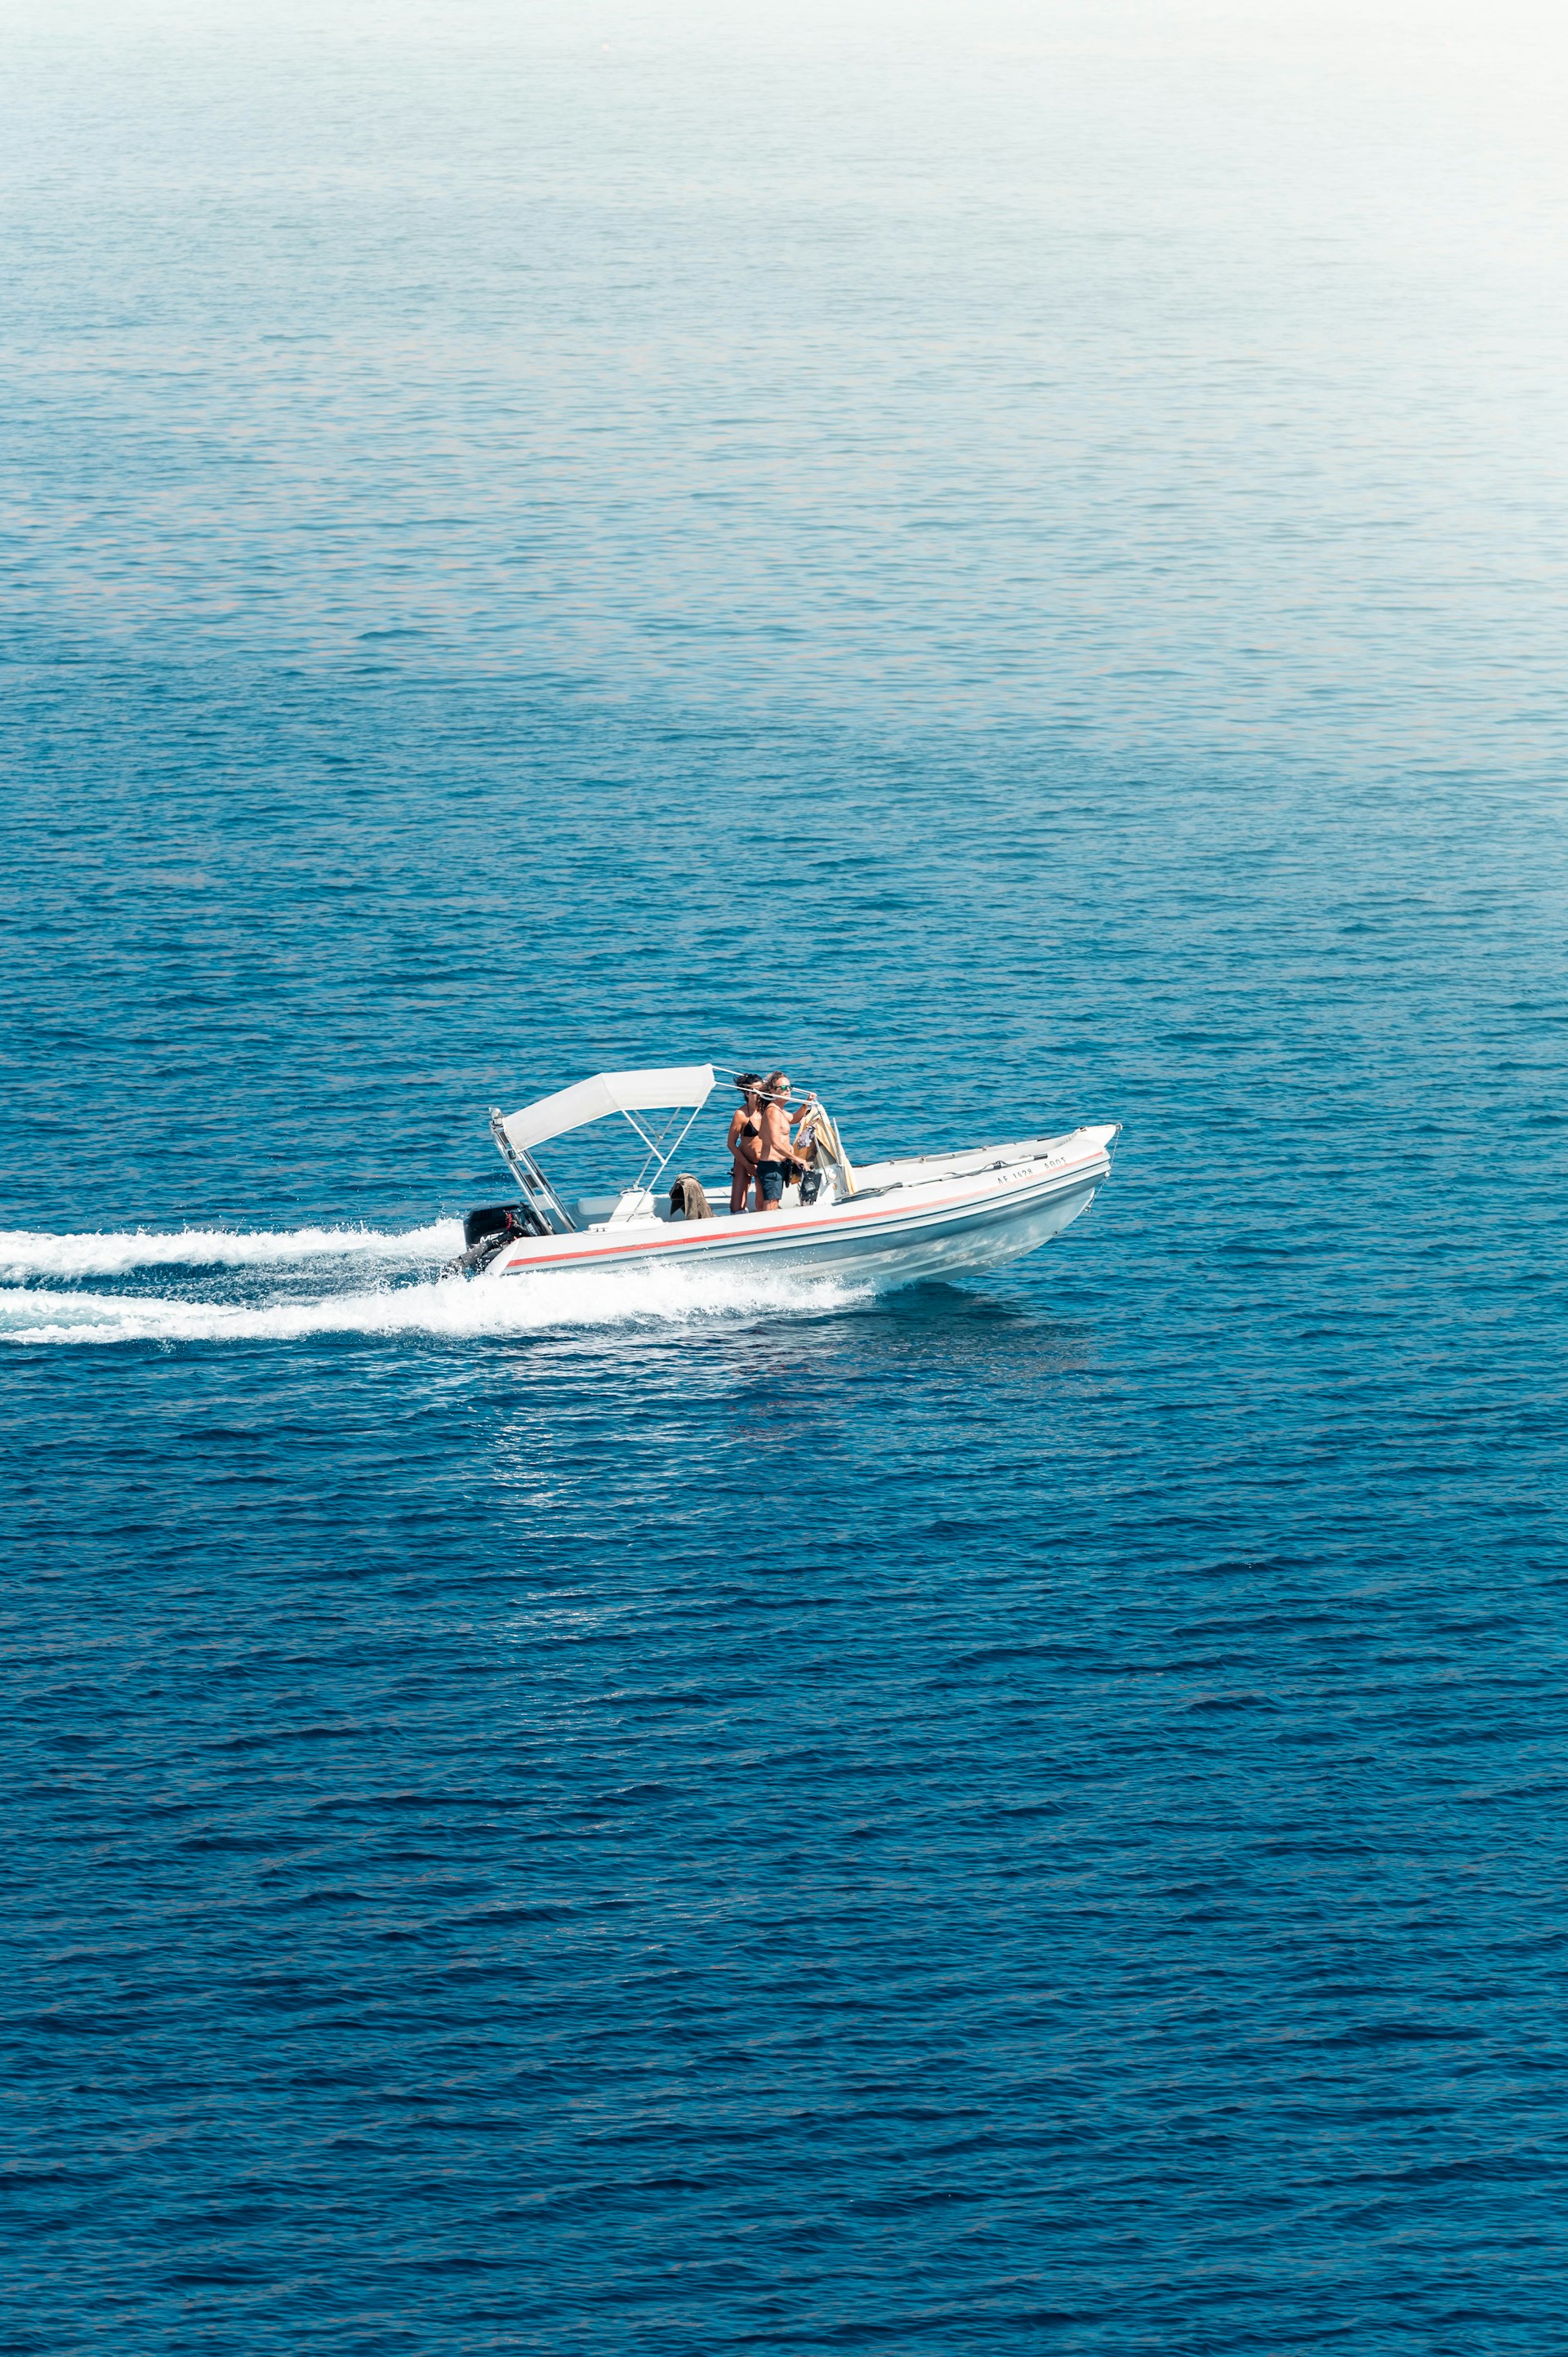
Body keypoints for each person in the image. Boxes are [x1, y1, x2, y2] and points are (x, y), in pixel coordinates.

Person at [752, 1070, 808, 1211]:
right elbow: (776, 1144)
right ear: (772, 1091)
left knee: (771, 1204)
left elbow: (794, 1119)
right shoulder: (773, 1111)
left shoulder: (779, 1110)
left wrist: (806, 1104)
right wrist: (796, 1159)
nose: (787, 1090)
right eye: (783, 1088)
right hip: (772, 1166)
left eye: (789, 1087)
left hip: (776, 1166)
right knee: (771, 1206)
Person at [727, 1073, 764, 1214]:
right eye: (755, 1091)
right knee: (736, 1208)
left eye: (761, 1090)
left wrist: (805, 1105)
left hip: (764, 1161)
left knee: (762, 1206)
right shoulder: (741, 1114)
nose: (759, 1094)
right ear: (747, 1093)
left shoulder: (769, 1110)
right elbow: (731, 1144)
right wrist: (748, 1166)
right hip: (744, 1160)